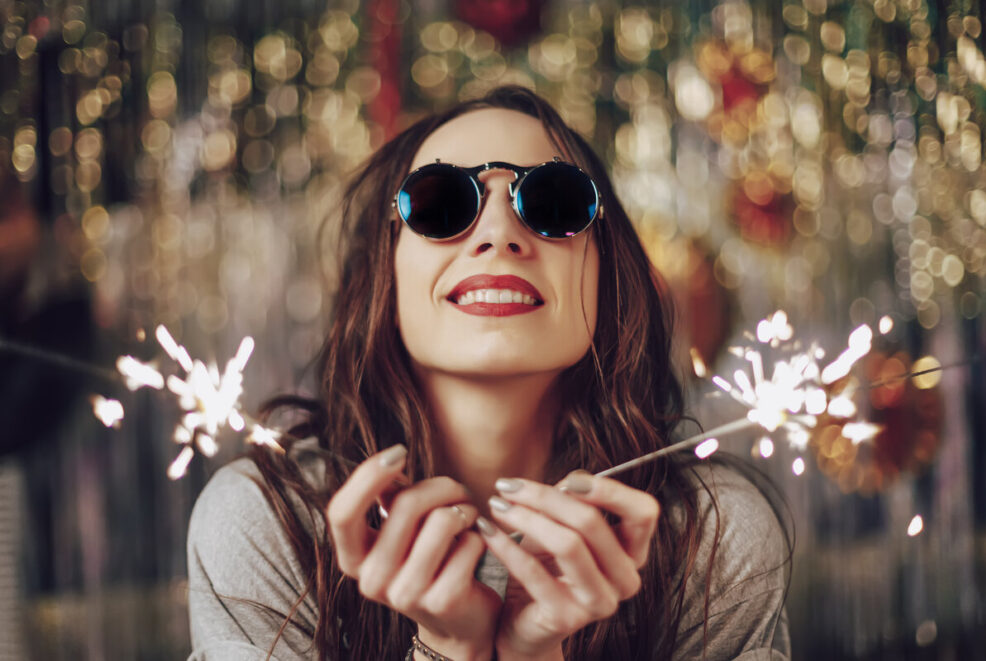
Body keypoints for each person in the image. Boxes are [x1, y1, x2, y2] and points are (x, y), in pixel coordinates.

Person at [186, 85, 791, 660]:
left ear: (610, 273)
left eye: (555, 202)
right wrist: (446, 651)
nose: (499, 236)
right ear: (384, 272)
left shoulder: (709, 538)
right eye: (440, 203)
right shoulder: (269, 522)